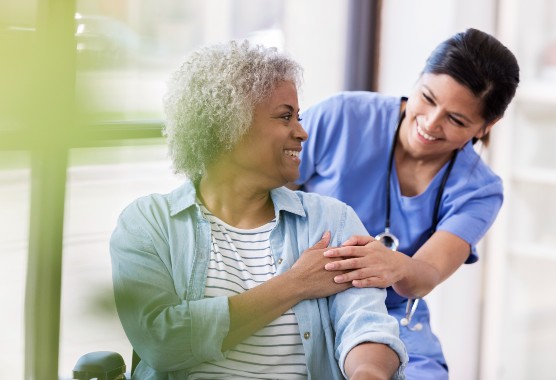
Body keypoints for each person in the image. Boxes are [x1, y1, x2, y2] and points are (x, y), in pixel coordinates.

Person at [110, 40, 408, 379]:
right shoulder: (148, 223)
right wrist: (295, 283)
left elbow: (365, 325)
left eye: (299, 117)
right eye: (285, 117)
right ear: (227, 127)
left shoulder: (331, 220)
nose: (302, 132)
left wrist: (368, 373)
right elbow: (161, 342)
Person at [291, 28, 520, 379]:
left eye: (456, 120)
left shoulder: (480, 190)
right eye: (427, 98)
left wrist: (396, 266)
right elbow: (256, 188)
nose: (430, 124)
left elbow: (424, 276)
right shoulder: (343, 116)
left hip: (389, 312)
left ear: (486, 125)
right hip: (301, 289)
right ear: (418, 80)